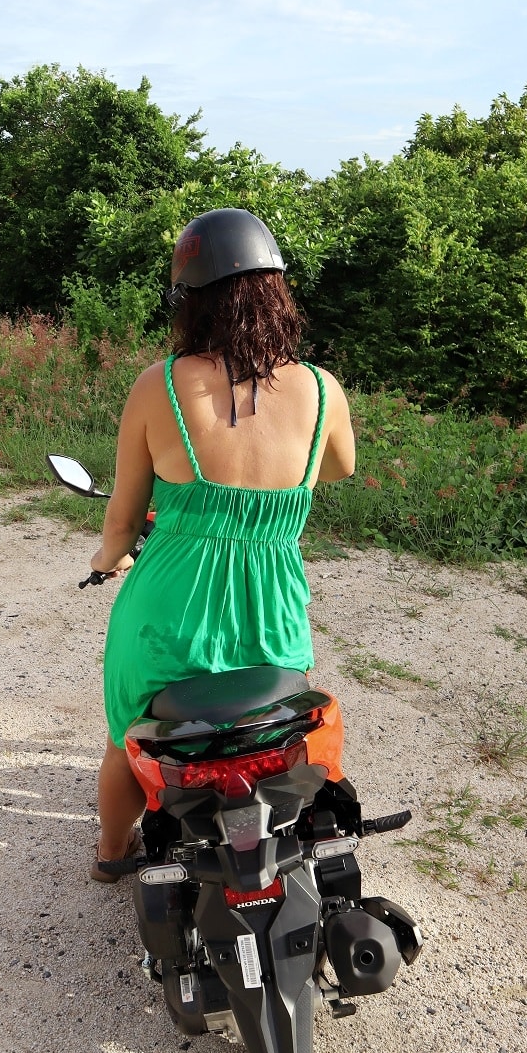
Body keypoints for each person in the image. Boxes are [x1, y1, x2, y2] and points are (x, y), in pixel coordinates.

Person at [88, 207, 356, 881]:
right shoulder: (323, 390)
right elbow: (339, 467)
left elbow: (123, 518)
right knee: (280, 733)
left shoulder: (161, 386)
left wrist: (107, 555)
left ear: (192, 302)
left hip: (170, 614)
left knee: (128, 740)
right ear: (278, 293)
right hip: (272, 617)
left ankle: (112, 857)